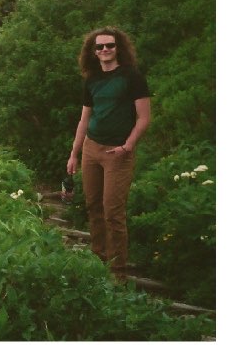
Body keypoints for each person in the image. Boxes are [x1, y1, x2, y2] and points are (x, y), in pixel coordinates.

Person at [66, 27, 151, 278]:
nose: (105, 50)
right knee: (93, 206)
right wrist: (74, 154)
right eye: (99, 47)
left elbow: (144, 118)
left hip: (118, 153)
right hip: (92, 149)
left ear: (118, 48)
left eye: (109, 45)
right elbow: (84, 120)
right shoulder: (91, 80)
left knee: (113, 211)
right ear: (93, 52)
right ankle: (98, 262)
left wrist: (128, 146)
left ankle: (117, 273)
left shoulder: (131, 77)